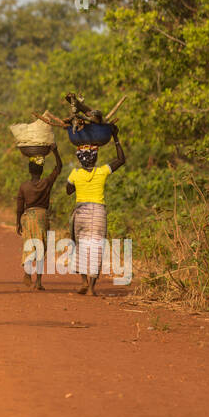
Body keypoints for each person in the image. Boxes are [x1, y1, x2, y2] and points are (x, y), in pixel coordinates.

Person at [64, 125, 126, 297]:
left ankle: (83, 282)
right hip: (98, 213)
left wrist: (79, 184)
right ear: (95, 158)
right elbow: (121, 160)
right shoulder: (102, 172)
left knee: (81, 247)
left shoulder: (75, 173)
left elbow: (68, 190)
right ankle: (91, 287)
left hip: (81, 213)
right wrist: (115, 137)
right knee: (96, 248)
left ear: (80, 159)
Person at [15, 145, 63, 291]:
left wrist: (18, 223)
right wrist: (55, 151)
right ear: (41, 170)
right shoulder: (46, 182)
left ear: (30, 170)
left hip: (28, 217)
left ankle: (27, 273)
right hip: (42, 216)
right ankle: (39, 282)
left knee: (29, 245)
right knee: (41, 247)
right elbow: (59, 167)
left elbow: (19, 207)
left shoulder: (24, 187)